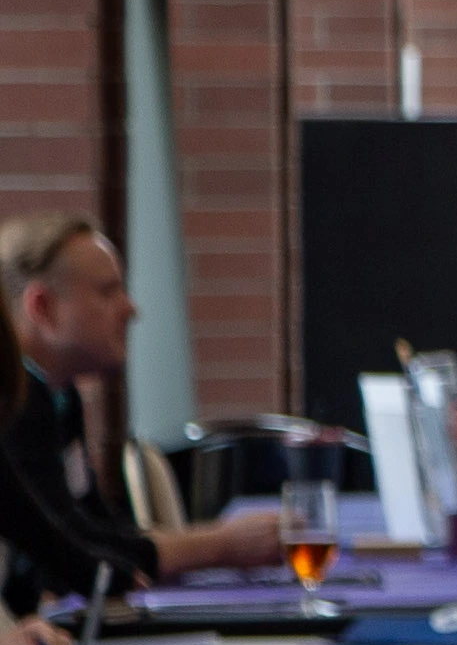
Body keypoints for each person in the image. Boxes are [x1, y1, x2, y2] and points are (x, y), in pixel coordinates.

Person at [1, 213, 284, 612]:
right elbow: (65, 548)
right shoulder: (19, 410)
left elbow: (98, 526)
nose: (131, 308)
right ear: (42, 307)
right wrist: (221, 544)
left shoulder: (57, 397)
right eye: (108, 291)